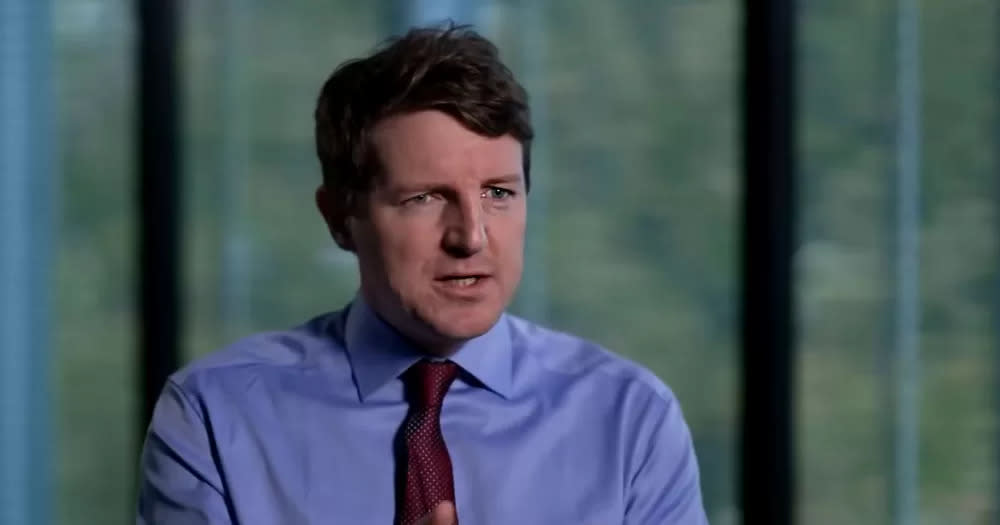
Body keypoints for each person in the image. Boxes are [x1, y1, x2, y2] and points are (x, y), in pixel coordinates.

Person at [136, 24, 708, 525]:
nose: (472, 236)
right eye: (426, 197)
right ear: (341, 218)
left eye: (498, 193)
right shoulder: (217, 417)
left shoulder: (629, 420)